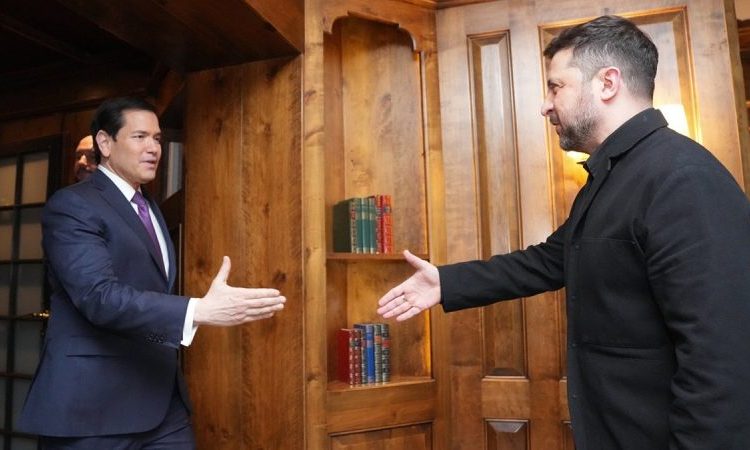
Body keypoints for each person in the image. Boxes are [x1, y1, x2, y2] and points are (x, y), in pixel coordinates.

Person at [377, 15, 750, 450]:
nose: (545, 105)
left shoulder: (682, 178)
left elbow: (722, 357)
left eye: (556, 87)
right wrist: (446, 282)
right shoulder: (612, 175)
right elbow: (549, 260)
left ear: (607, 83)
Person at [18, 97, 286, 449]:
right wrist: (197, 310)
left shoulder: (148, 207)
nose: (153, 148)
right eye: (140, 137)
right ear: (105, 143)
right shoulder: (73, 204)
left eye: (157, 138)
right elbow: (98, 296)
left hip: (161, 401)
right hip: (92, 407)